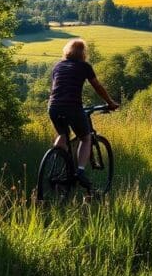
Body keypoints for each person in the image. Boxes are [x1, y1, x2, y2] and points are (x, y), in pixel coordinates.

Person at [48, 38, 119, 191]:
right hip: (72, 107)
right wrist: (110, 103)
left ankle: (56, 162)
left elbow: (58, 87)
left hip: (53, 107)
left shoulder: (57, 66)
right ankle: (80, 171)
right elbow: (97, 86)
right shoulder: (84, 66)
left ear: (67, 51)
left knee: (63, 134)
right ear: (83, 53)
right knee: (85, 138)